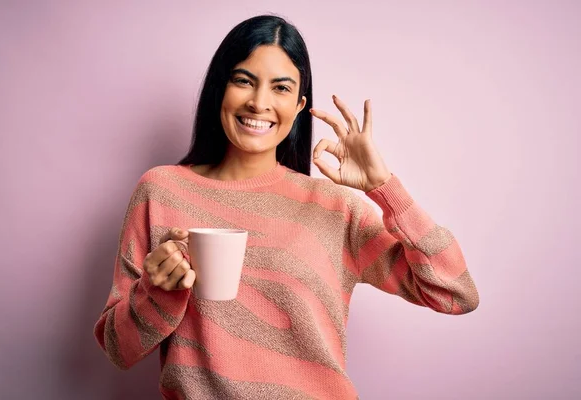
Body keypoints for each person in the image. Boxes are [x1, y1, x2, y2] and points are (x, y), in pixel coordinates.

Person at [94, 14, 479, 400]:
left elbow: (454, 292)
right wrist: (157, 292)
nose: (259, 103)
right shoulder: (161, 191)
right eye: (243, 81)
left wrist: (385, 188)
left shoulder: (334, 208)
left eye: (281, 88)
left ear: (299, 106)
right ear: (219, 90)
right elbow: (118, 348)